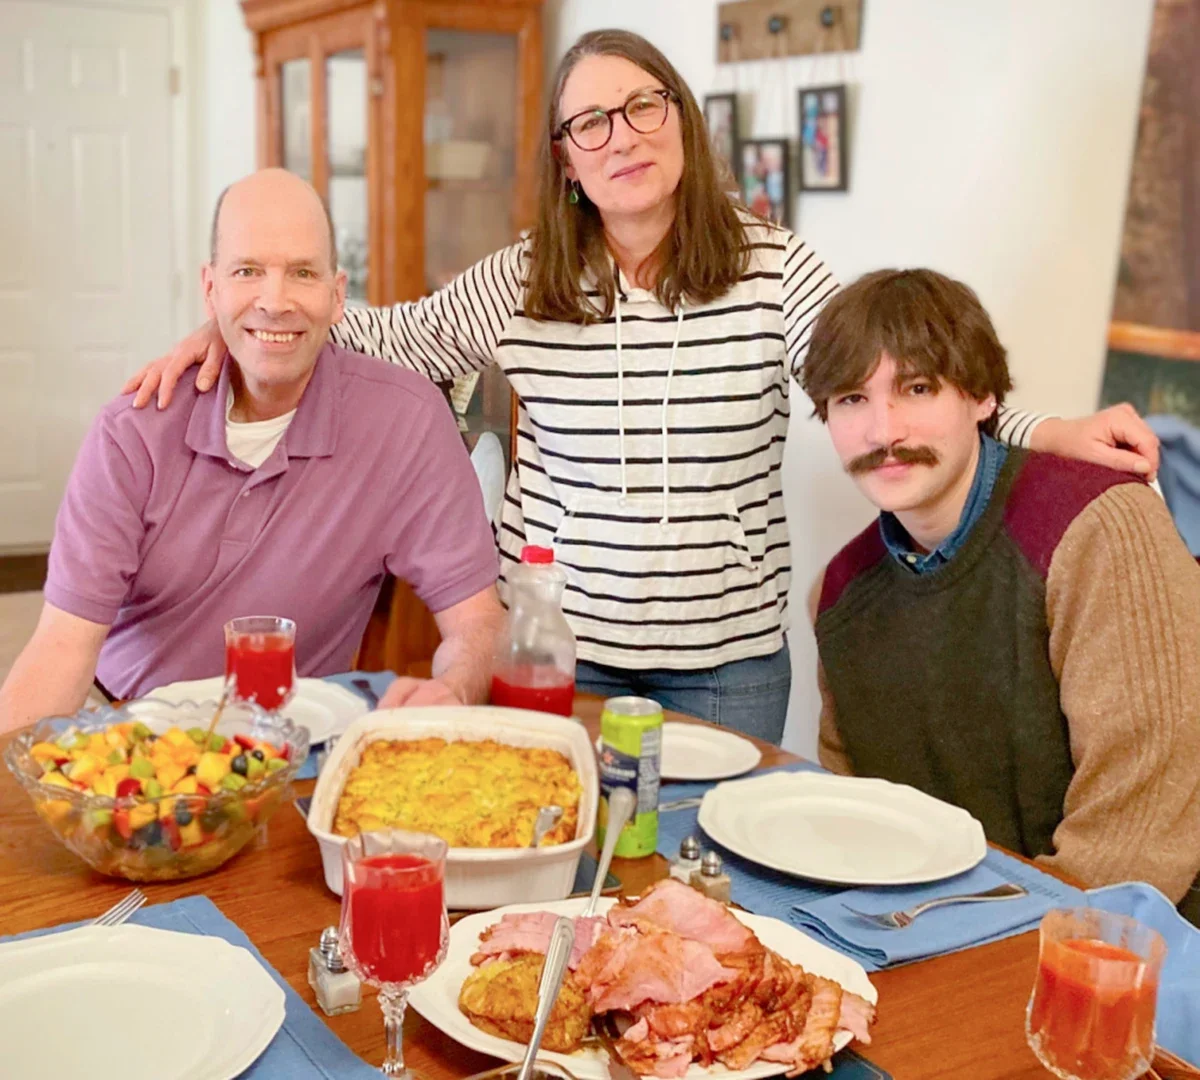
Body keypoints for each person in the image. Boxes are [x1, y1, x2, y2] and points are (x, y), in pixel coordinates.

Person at [124, 31, 1159, 745]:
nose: (619, 136)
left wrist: (1045, 427)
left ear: (680, 121)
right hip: (557, 652)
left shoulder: (771, 268)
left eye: (640, 108)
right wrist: (243, 318)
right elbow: (390, 334)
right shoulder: (526, 280)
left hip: (731, 666)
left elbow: (877, 369)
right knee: (566, 881)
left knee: (705, 901)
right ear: (567, 162)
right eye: (589, 125)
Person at [0, 169, 503, 734]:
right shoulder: (132, 432)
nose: (275, 300)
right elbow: (61, 649)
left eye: (302, 273)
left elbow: (479, 622)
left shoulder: (406, 420)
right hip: (131, 728)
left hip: (296, 741)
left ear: (337, 296)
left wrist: (455, 690)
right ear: (211, 288)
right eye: (248, 271)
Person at [802, 268, 1200, 924]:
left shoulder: (1100, 528)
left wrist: (968, 945)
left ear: (983, 396)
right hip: (947, 928)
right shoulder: (840, 596)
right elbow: (862, 820)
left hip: (1129, 948)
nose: (884, 430)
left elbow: (1136, 847)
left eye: (918, 388)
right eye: (851, 399)